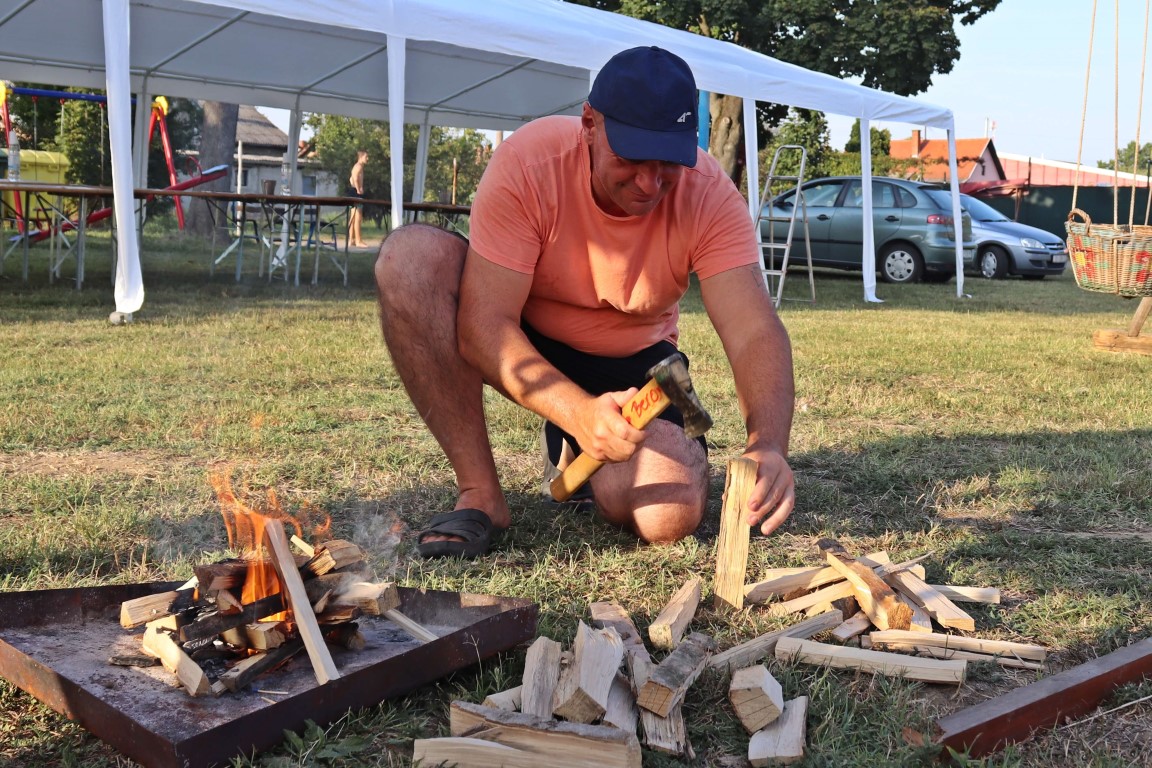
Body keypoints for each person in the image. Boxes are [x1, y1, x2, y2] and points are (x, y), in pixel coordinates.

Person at [374, 46, 795, 558]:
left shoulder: (709, 193)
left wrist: (767, 444)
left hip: (643, 363)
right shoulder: (530, 164)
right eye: (631, 158)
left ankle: (578, 456)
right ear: (590, 124)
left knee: (669, 515)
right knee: (411, 259)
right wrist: (576, 410)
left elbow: (754, 329)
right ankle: (480, 491)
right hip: (531, 337)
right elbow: (483, 326)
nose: (649, 184)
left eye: (668, 163)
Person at [348, 150, 368, 247]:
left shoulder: (356, 166)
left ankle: (351, 240)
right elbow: (354, 178)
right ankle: (358, 241)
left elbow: (350, 179)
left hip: (353, 192)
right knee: (358, 218)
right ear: (361, 157)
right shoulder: (358, 166)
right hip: (356, 193)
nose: (367, 159)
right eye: (366, 157)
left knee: (353, 217)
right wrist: (358, 189)